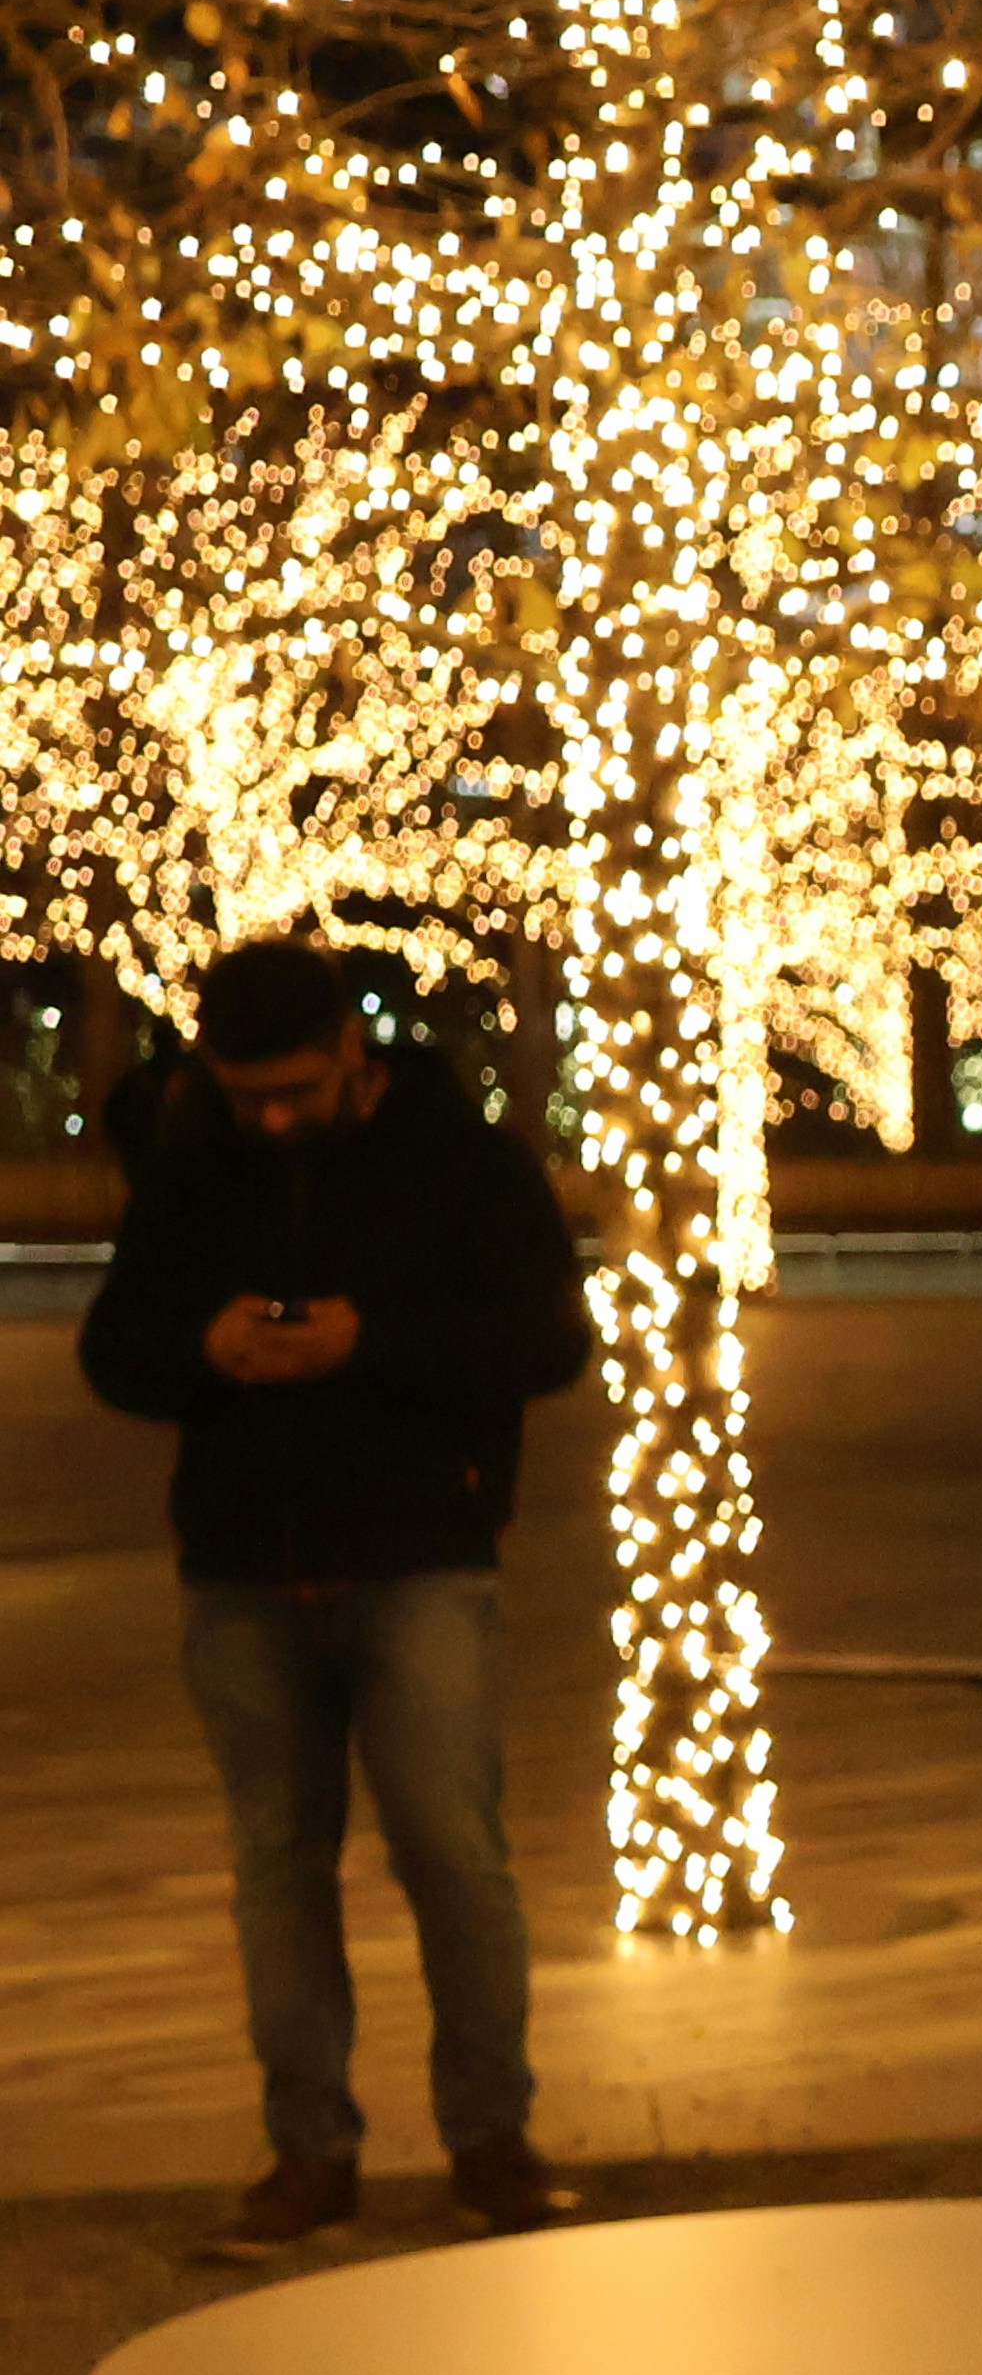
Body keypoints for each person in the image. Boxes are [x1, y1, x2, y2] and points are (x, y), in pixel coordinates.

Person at [77, 942, 594, 2258]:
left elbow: (546, 1339)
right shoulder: (194, 1166)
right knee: (277, 1869)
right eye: (245, 1095)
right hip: (244, 1567)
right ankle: (309, 2150)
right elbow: (116, 1348)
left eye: (295, 1092)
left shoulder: (462, 1161)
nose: (271, 1120)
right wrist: (208, 1345)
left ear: (354, 1052)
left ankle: (491, 2138)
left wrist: (371, 1339)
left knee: (454, 1858)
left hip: (420, 1554)